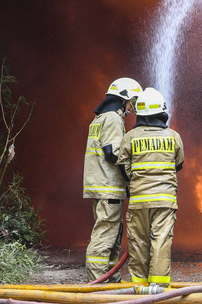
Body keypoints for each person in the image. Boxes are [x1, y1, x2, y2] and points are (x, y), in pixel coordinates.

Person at [117, 88, 184, 288]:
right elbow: (178, 164)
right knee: (161, 243)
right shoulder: (174, 136)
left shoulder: (130, 137)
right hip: (165, 201)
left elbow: (123, 167)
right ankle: (160, 290)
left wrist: (137, 183)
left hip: (138, 201)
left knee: (138, 244)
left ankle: (139, 289)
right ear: (163, 111)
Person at [83, 77, 142, 282]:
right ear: (123, 98)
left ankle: (111, 276)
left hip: (100, 185)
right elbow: (112, 153)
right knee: (106, 233)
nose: (132, 108)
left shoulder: (99, 119)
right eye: (132, 102)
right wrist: (131, 176)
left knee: (113, 232)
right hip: (109, 186)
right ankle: (98, 279)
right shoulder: (113, 119)